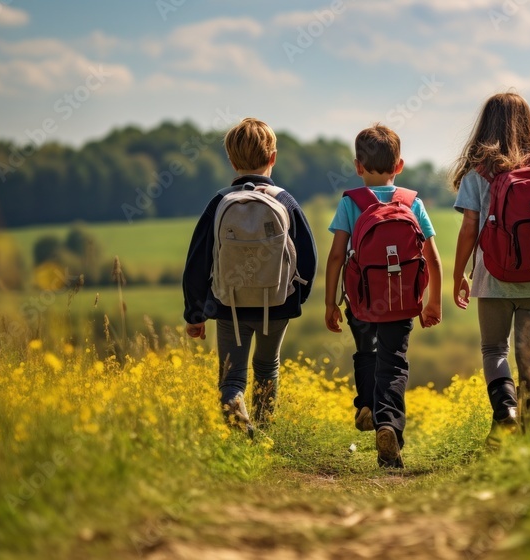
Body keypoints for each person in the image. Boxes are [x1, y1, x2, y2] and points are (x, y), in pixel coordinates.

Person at [183, 117, 317, 437]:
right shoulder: (285, 201)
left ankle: (239, 423)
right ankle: (265, 435)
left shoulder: (219, 202)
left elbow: (198, 261)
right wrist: (295, 298)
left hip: (229, 302)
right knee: (267, 367)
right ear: (273, 158)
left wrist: (195, 313)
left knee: (232, 378)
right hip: (277, 301)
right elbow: (308, 258)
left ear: (231, 160)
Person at [450, 92, 530, 447]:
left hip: (493, 277)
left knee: (494, 351)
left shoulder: (478, 174)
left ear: (485, 126)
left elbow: (470, 228)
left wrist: (459, 275)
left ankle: (505, 414)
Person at [324, 124, 443, 468]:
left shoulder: (351, 202)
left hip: (361, 299)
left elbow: (335, 256)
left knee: (366, 351)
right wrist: (433, 301)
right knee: (393, 362)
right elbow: (431, 257)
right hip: (402, 301)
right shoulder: (413, 202)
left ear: (358, 166)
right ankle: (388, 423)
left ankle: (366, 405)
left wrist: (331, 302)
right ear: (399, 165)